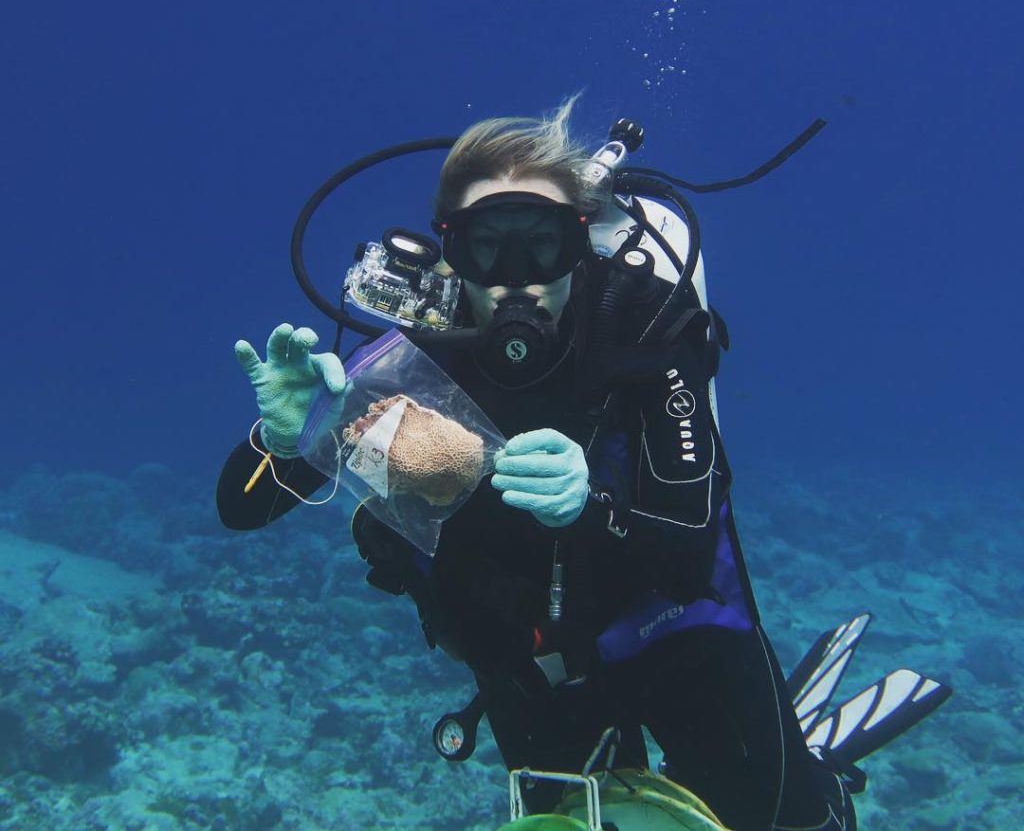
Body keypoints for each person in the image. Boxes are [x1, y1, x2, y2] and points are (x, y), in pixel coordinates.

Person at [217, 99, 856, 831]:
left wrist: (592, 507)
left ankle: (816, 786)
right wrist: (285, 436)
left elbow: (689, 542)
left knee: (789, 822)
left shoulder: (645, 323)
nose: (514, 280)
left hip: (679, 629)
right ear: (450, 250)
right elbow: (240, 507)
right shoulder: (416, 355)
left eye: (543, 244)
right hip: (529, 656)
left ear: (580, 243)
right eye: (488, 247)